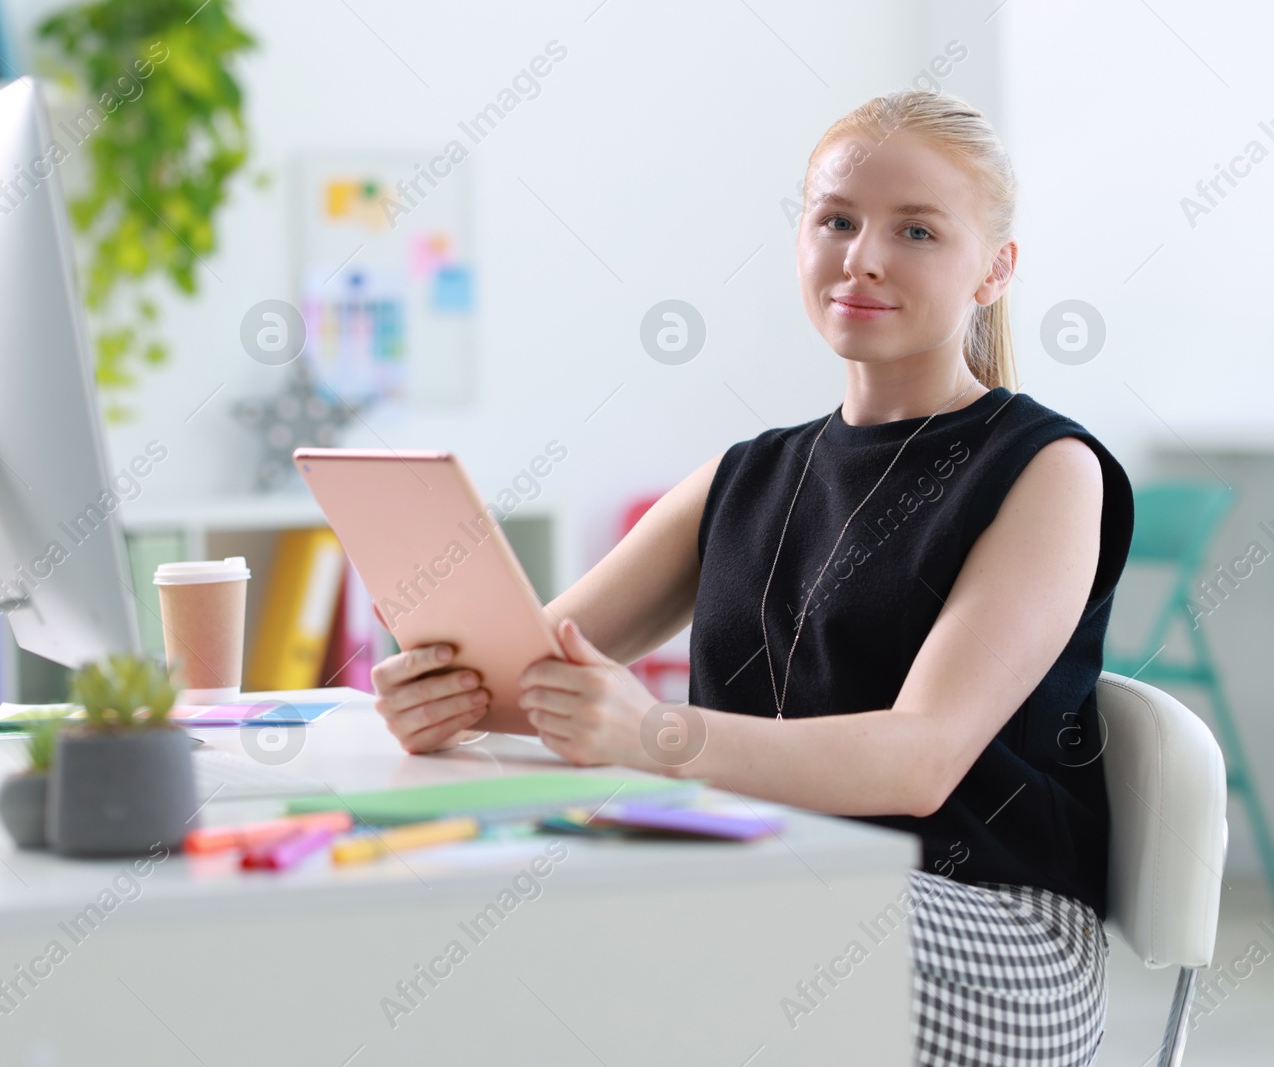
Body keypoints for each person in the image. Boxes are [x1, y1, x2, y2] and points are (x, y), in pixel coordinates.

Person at [368, 89, 1133, 1066]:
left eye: (917, 230)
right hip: (768, 881)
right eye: (836, 220)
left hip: (990, 934)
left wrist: (651, 734)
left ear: (995, 269)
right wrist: (449, 689)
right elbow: (535, 665)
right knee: (521, 897)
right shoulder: (744, 475)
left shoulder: (1046, 469)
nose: (862, 255)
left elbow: (920, 755)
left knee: (623, 939)